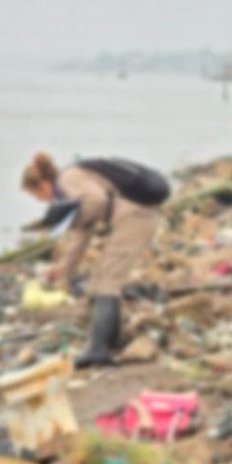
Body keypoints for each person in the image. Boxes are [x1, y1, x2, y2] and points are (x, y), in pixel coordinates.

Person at [21, 152, 166, 368]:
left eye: (37, 195)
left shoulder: (68, 179)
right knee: (100, 280)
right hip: (133, 217)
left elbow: (97, 201)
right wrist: (61, 270)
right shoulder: (69, 190)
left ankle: (99, 350)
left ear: (42, 184)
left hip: (135, 218)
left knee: (108, 281)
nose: (41, 201)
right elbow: (83, 234)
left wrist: (72, 221)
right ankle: (111, 341)